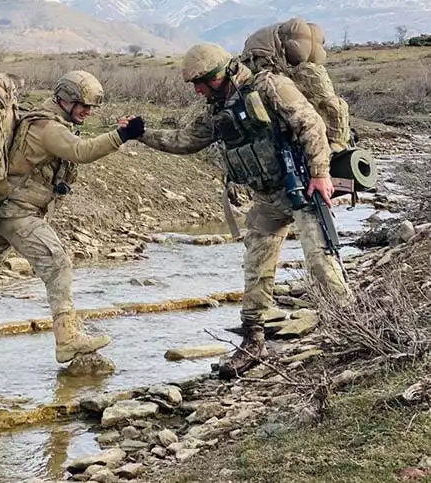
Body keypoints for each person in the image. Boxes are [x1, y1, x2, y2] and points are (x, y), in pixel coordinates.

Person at [138, 43, 352, 379]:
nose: (196, 90)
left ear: (219, 74)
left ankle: (352, 330)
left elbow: (311, 125)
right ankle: (253, 340)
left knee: (321, 262)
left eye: (200, 83)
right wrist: (141, 135)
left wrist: (321, 174)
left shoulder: (270, 86)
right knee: (256, 266)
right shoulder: (218, 106)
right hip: (266, 196)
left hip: (300, 187)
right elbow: (187, 141)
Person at [0, 70, 145, 363]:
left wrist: (119, 131)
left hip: (5, 205)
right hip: (16, 211)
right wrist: (122, 135)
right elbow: (80, 151)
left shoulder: (51, 121)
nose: (88, 112)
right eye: (84, 105)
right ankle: (67, 338)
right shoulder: (47, 127)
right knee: (57, 262)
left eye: (91, 108)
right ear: (66, 99)